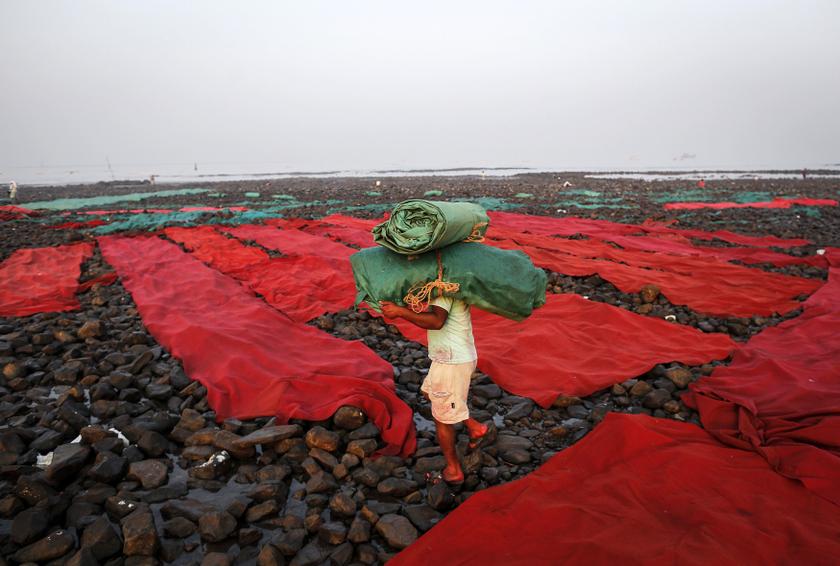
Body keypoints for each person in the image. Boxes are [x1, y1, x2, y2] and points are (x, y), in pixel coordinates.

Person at [380, 295, 492, 484]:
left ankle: (454, 470)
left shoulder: (443, 288)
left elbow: (437, 321)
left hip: (452, 361)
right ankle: (475, 427)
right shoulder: (450, 284)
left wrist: (400, 312)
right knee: (428, 392)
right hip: (453, 356)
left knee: (441, 419)